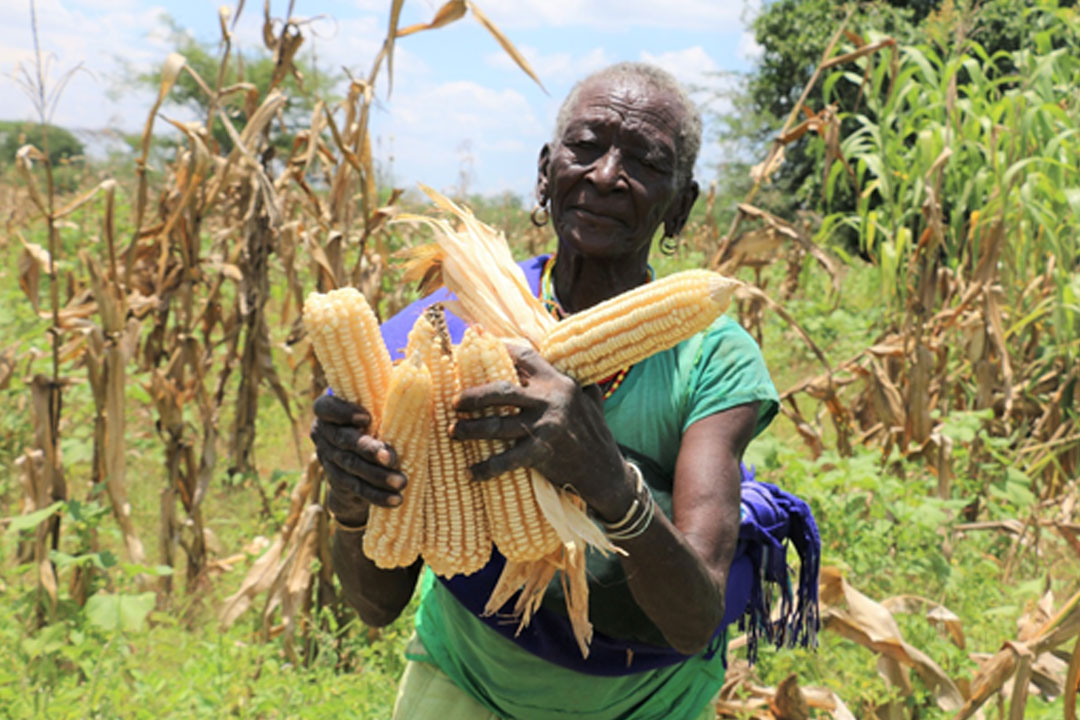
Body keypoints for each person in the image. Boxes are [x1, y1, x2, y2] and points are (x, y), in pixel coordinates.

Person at [312, 62, 813, 720]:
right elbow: (376, 605)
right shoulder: (443, 330)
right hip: (465, 683)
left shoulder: (713, 358)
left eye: (643, 160)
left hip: (645, 702)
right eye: (585, 147)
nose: (606, 175)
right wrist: (352, 503)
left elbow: (696, 619)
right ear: (546, 174)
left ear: (681, 205)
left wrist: (602, 475)